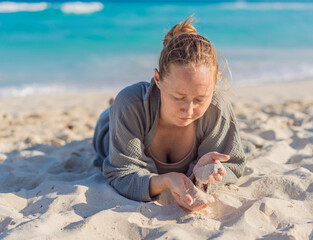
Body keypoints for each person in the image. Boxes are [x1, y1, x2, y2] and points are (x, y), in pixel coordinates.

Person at [92, 16, 246, 211]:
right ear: (157, 79)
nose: (189, 110)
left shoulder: (217, 107)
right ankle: (112, 107)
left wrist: (204, 177)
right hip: (119, 121)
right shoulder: (129, 106)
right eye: (178, 97)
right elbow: (121, 173)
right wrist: (166, 181)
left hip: (138, 108)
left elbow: (234, 163)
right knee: (120, 107)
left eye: (199, 99)